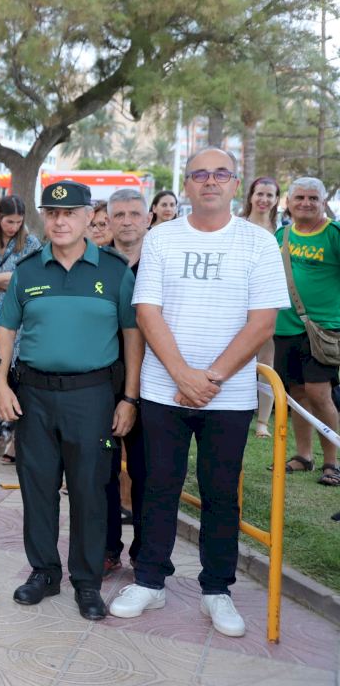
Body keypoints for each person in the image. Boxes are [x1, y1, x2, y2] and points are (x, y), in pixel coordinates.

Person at [109, 149, 288, 638]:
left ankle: (217, 590)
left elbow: (263, 322)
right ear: (187, 185)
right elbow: (147, 311)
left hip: (227, 397)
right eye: (200, 174)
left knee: (220, 493)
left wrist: (211, 377)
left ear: (235, 184)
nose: (211, 181)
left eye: (221, 174)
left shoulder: (259, 242)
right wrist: (182, 375)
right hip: (163, 391)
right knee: (157, 486)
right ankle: (150, 581)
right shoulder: (161, 238)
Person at [0, 180, 141, 621]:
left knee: (90, 491)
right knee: (37, 488)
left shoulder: (114, 271)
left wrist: (129, 398)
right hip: (34, 395)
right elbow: (5, 329)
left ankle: (87, 581)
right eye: (52, 214)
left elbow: (133, 337)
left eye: (69, 214)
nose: (60, 222)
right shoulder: (28, 270)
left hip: (92, 397)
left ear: (88, 218)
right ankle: (44, 572)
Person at [272, 177, 340, 487]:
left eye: (313, 198)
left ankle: (332, 461)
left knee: (319, 393)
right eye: (299, 197)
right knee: (297, 394)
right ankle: (304, 456)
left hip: (324, 330)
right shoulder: (281, 235)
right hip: (286, 327)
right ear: (288, 202)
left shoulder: (333, 234)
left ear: (323, 202)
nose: (306, 203)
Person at [102, 187, 151, 573]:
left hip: (153, 382)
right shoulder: (96, 264)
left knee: (146, 471)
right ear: (107, 220)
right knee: (102, 471)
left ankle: (145, 553)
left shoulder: (161, 263)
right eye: (119, 215)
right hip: (103, 381)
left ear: (148, 219)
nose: (127, 221)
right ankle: (107, 548)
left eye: (135, 214)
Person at [0, 195, 41, 462]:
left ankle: (15, 441)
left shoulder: (31, 243)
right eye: (9, 222)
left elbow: (29, 282)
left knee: (17, 376)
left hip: (21, 319)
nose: (14, 227)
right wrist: (5, 278)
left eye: (18, 222)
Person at [240, 177, 280, 438]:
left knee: (267, 364)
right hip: (238, 303)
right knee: (238, 359)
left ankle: (263, 421)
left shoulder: (283, 232)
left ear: (276, 200)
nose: (264, 200)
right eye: (260, 194)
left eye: (269, 195)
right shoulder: (236, 227)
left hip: (268, 305)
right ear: (251, 196)